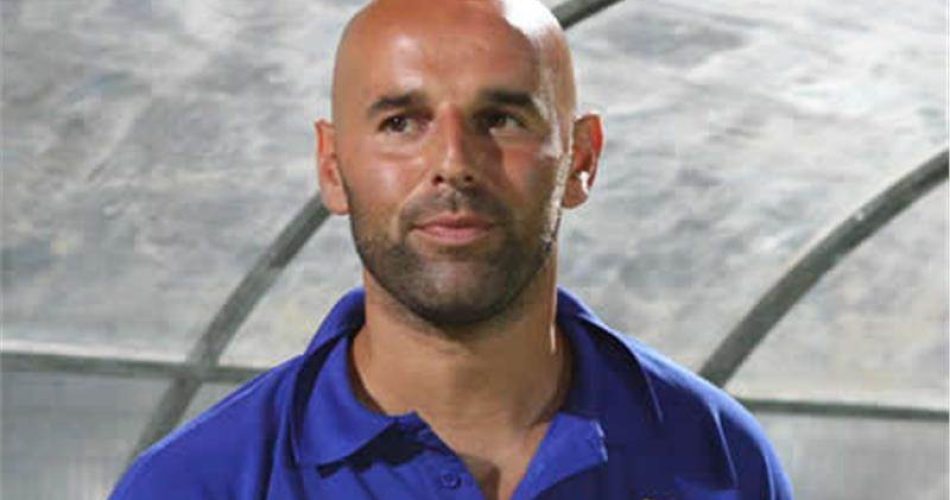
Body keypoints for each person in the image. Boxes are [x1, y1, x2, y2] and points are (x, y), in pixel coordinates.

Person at [111, 0, 793, 498]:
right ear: (332, 166)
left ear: (581, 159)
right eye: (401, 123)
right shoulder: (200, 483)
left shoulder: (718, 458)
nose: (454, 164)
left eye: (501, 119)